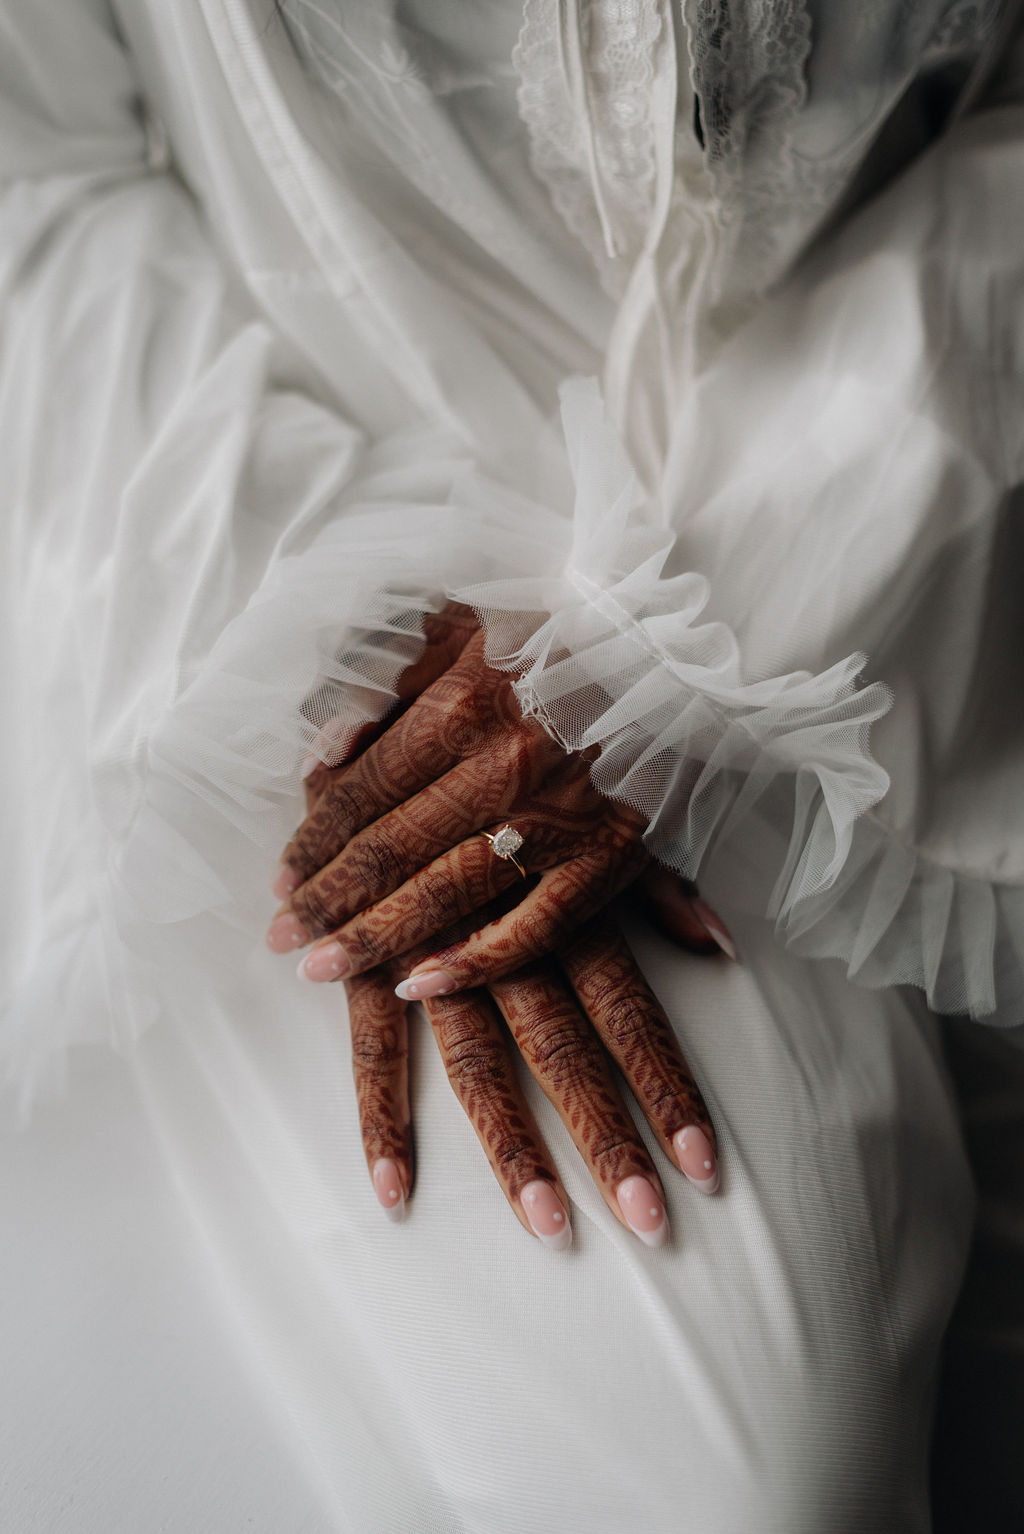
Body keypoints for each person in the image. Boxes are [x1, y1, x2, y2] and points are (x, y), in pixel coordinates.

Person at [2, 1, 1022, 1529]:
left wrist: (657, 652)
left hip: (829, 595)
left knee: (745, 1462)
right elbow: (34, 160)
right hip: (214, 556)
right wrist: (349, 669)